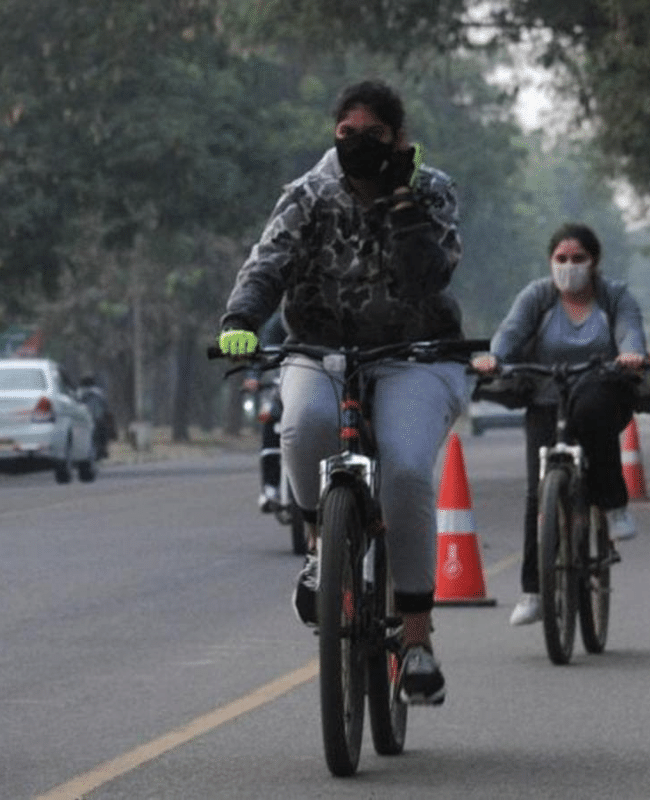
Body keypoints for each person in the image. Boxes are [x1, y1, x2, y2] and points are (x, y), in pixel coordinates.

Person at [217, 79, 466, 705]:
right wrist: (241, 320)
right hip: (320, 350)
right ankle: (318, 544)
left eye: (373, 138)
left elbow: (429, 277)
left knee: (408, 472)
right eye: (345, 136)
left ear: (399, 141)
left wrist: (403, 199)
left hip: (412, 354)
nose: (356, 147)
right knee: (302, 427)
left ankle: (415, 638)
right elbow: (267, 262)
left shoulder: (432, 191)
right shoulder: (309, 193)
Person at [472, 222, 649, 627]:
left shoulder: (614, 296)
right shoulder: (538, 295)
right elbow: (510, 333)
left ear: (595, 261)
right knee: (538, 492)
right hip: (546, 395)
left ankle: (614, 504)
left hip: (602, 389)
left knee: (591, 416)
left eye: (578, 259)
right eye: (561, 259)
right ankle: (534, 590)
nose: (569, 267)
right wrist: (494, 358)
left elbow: (631, 332)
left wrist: (632, 355)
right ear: (551, 262)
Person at [239, 312, 287, 512]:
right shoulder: (278, 322)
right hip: (280, 388)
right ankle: (270, 487)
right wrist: (254, 377)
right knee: (269, 415)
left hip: (314, 388)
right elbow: (260, 354)